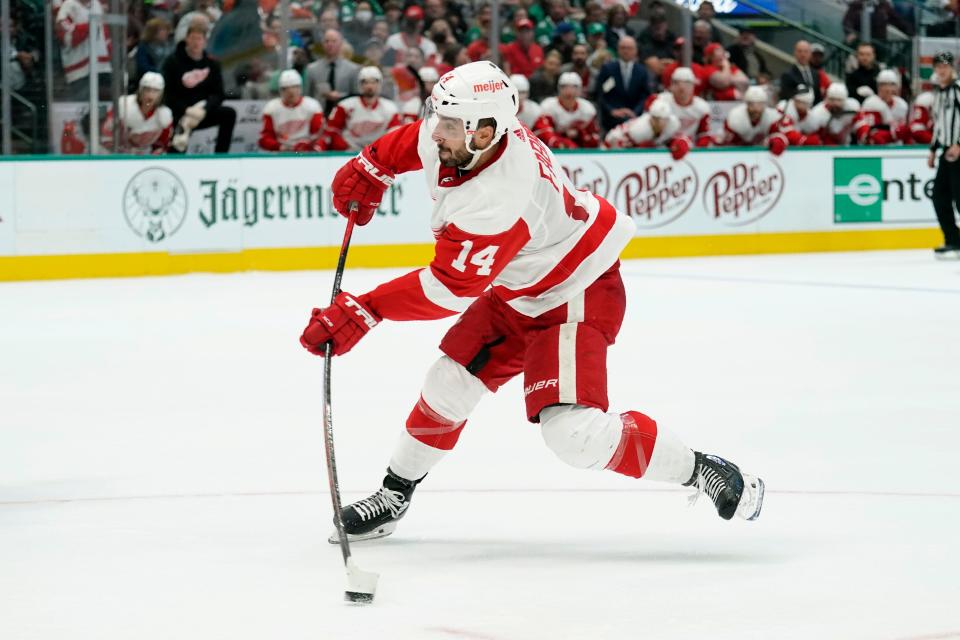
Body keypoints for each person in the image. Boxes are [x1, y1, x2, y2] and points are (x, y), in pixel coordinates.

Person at [298, 61, 765, 542]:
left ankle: (701, 469)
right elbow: (413, 139)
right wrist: (372, 166)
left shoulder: (501, 192)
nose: (437, 132)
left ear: (487, 131)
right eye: (440, 117)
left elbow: (451, 286)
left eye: (450, 125)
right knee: (447, 383)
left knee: (573, 436)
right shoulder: (467, 134)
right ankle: (395, 494)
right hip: (522, 288)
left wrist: (367, 310)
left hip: (575, 291)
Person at [162, 20, 235, 154]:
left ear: (205, 41)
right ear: (187, 39)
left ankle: (221, 157)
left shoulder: (212, 64)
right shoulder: (172, 62)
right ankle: (176, 160)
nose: (196, 42)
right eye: (193, 38)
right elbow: (168, 94)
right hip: (180, 113)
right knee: (178, 141)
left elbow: (218, 93)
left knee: (229, 113)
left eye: (199, 39)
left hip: (203, 111)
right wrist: (186, 110)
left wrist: (205, 109)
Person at [926, 51, 960, 258]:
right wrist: (932, 150)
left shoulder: (958, 90)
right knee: (939, 197)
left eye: (945, 67)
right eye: (938, 67)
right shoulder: (938, 93)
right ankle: (953, 239)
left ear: (952, 68)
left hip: (958, 152)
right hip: (946, 153)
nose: (941, 70)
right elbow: (939, 125)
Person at [325, 66, 401, 151]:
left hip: (377, 154)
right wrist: (343, 147)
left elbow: (395, 135)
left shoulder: (390, 109)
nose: (369, 86)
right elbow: (332, 131)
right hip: (349, 153)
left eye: (373, 82)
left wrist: (382, 150)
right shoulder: (345, 106)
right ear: (360, 85)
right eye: (366, 82)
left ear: (380, 84)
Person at [99, 72, 173, 154]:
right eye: (147, 90)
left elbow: (162, 144)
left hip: (145, 158)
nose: (150, 95)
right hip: (117, 155)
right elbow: (106, 134)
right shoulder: (124, 105)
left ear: (161, 94)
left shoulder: (164, 116)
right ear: (140, 90)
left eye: (155, 91)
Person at [55, 0, 111, 101]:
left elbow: (104, 34)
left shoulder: (96, 4)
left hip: (103, 67)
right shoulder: (69, 5)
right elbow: (66, 37)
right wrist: (90, 26)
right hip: (80, 72)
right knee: (84, 109)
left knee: (105, 110)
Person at [258, 69, 325, 153]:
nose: (291, 91)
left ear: (300, 88)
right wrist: (279, 147)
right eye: (286, 88)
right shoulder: (272, 108)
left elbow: (318, 134)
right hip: (281, 153)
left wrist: (313, 147)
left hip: (306, 152)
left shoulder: (312, 106)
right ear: (281, 90)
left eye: (294, 87)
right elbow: (265, 137)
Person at [595, 36, 650, 132]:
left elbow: (645, 96)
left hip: (635, 119)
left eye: (629, 48)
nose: (626, 51)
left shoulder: (642, 71)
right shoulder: (607, 69)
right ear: (618, 50)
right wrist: (612, 110)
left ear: (635, 51)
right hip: (612, 119)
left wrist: (635, 112)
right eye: (623, 48)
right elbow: (601, 94)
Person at [604, 99, 690, 159]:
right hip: (613, 140)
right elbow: (615, 144)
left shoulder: (672, 124)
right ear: (651, 119)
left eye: (665, 119)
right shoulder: (639, 130)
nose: (662, 122)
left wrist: (680, 143)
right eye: (657, 119)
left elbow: (684, 139)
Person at [719, 85, 792, 154]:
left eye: (760, 104)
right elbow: (728, 145)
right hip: (739, 155)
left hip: (763, 156)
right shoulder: (735, 117)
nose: (756, 108)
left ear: (764, 104)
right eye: (752, 104)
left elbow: (785, 135)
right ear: (746, 104)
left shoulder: (773, 116)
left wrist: (778, 139)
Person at [534, 72, 600, 149]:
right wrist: (560, 143)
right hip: (553, 150)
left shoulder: (587, 109)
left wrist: (580, 133)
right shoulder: (548, 106)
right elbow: (542, 132)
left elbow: (594, 138)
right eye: (564, 87)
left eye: (574, 87)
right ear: (559, 88)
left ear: (580, 89)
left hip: (580, 150)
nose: (569, 91)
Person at [648, 67, 711, 146]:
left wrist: (699, 151)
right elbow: (649, 126)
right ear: (671, 85)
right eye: (677, 83)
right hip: (662, 146)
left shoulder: (702, 107)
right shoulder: (660, 101)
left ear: (693, 86)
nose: (682, 88)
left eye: (687, 83)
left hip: (689, 148)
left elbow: (704, 134)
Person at [305, 29, 361, 115]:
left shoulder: (353, 69)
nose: (330, 44)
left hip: (344, 116)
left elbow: (356, 98)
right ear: (322, 44)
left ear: (341, 44)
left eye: (334, 41)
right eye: (326, 41)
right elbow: (307, 98)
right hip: (319, 116)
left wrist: (341, 96)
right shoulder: (312, 69)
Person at [853, 70, 910, 145]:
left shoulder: (902, 105)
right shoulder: (871, 103)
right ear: (878, 86)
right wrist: (894, 134)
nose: (888, 89)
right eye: (884, 85)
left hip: (897, 149)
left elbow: (906, 132)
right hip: (875, 149)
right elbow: (870, 135)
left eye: (892, 85)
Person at [132, 17, 173, 89]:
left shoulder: (170, 45)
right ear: (153, 32)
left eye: (166, 30)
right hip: (150, 82)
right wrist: (160, 73)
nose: (166, 32)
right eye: (163, 30)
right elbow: (143, 66)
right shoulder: (144, 47)